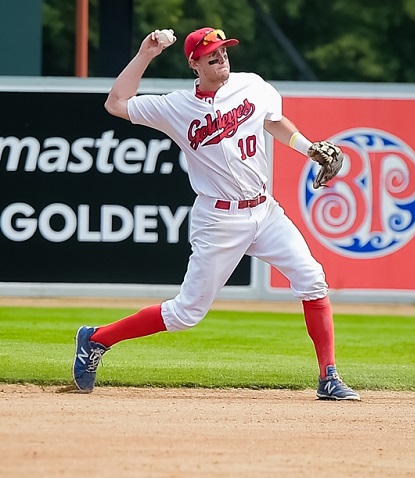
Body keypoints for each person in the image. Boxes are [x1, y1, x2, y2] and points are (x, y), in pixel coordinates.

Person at [72, 27, 360, 401]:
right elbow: (116, 103)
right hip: (219, 219)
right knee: (185, 314)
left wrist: (308, 148)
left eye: (223, 50)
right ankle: (96, 339)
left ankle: (328, 377)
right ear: (194, 64)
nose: (220, 56)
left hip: (265, 211)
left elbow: (272, 120)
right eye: (210, 54)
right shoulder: (175, 106)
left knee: (312, 279)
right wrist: (146, 55)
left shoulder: (251, 86)